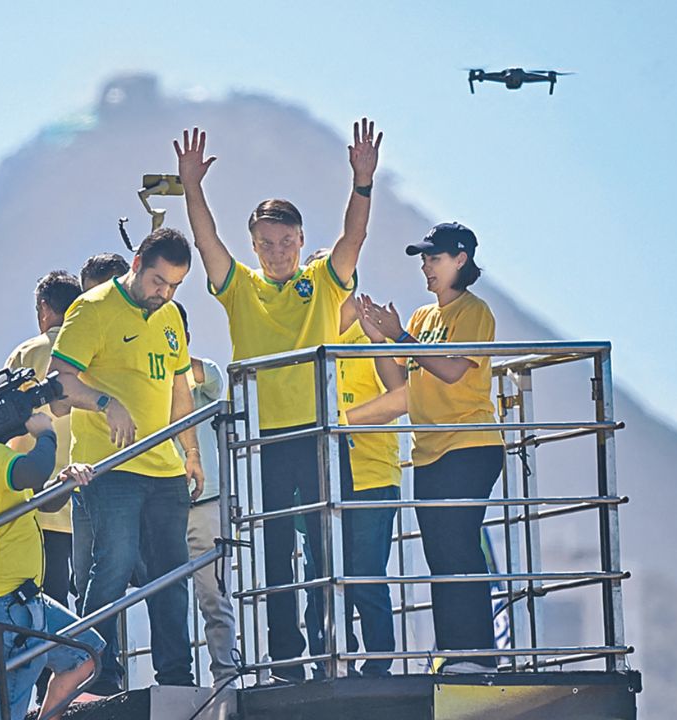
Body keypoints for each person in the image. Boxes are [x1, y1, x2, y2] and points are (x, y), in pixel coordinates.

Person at [175, 119, 383, 681]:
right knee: (273, 556)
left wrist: (362, 181)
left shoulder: (323, 281)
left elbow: (353, 239)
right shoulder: (241, 286)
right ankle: (289, 660)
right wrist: (192, 187)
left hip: (321, 435)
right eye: (265, 243)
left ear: (299, 240)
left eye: (286, 241)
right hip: (265, 440)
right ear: (254, 245)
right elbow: (207, 244)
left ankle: (330, 651)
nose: (276, 252)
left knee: (324, 550)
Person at [48, 228, 204, 694]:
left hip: (165, 472)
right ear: (137, 264)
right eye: (159, 281)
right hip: (109, 470)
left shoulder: (172, 315)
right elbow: (60, 380)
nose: (165, 294)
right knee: (110, 570)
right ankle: (99, 674)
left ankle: (176, 679)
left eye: (175, 285)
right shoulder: (91, 308)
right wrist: (103, 402)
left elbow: (180, 392)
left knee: (171, 578)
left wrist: (191, 453)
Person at [357, 222, 504, 674]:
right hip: (429, 450)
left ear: (461, 260)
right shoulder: (421, 319)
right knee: (439, 551)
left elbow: (455, 370)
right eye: (424, 258)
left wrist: (401, 337)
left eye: (434, 258)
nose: (426, 266)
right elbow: (399, 382)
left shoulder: (473, 311)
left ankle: (477, 653)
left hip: (469, 444)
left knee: (459, 545)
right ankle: (454, 654)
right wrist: (379, 337)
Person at [0, 383, 103, 720]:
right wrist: (46, 434)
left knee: (85, 655)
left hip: (22, 598)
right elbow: (34, 471)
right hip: (1, 602)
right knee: (8, 710)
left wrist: (66, 482)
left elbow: (41, 501)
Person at [297, 250, 407, 678]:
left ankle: (378, 665)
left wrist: (340, 423)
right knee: (318, 579)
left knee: (364, 575)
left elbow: (403, 397)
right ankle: (327, 663)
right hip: (316, 478)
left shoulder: (370, 338)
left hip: (370, 475)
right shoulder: (306, 339)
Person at [4, 270, 85, 702]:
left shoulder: (27, 352)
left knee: (40, 605)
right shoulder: (89, 344)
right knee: (86, 595)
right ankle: (88, 684)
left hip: (37, 501)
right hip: (87, 491)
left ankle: (42, 696)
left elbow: (4, 420)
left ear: (43, 310)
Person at [168, 301, 239, 686]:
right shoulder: (144, 382)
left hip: (206, 503)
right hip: (161, 506)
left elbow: (207, 377)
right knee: (170, 600)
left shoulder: (203, 373)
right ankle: (178, 680)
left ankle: (226, 678)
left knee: (215, 599)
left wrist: (168, 356)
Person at [71, 252, 132, 616]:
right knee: (88, 581)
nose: (94, 308)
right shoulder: (78, 332)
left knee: (147, 576)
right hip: (87, 472)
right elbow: (60, 394)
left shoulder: (150, 324)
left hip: (139, 470)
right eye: (87, 299)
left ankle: (175, 672)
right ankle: (99, 668)